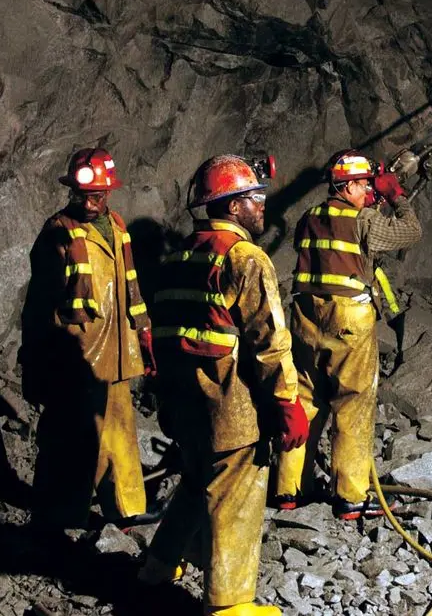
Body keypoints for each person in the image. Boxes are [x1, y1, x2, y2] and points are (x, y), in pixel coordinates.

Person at [138, 155, 306, 616]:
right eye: (253, 198)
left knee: (195, 484)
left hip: (186, 400)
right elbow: (269, 340)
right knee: (236, 500)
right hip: (231, 404)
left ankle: (157, 566)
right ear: (232, 207)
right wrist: (288, 402)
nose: (260, 205)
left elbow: (166, 335)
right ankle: (230, 606)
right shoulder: (244, 258)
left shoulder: (179, 255)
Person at [273, 149, 421, 519]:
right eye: (365, 185)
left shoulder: (309, 218)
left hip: (306, 318)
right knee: (353, 405)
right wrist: (395, 196)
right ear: (349, 185)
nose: (369, 191)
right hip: (348, 318)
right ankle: (351, 497)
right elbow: (411, 232)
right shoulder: (364, 220)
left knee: (305, 401)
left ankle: (290, 490)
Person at [21, 148, 154, 535]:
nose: (93, 202)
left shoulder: (116, 225)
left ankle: (126, 509)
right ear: (73, 193)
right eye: (87, 195)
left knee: (120, 430)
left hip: (117, 348)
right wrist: (36, 356)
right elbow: (41, 300)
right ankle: (65, 515)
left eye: (100, 194)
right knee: (75, 434)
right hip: (78, 351)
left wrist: (143, 334)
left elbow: (131, 285)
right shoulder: (58, 230)